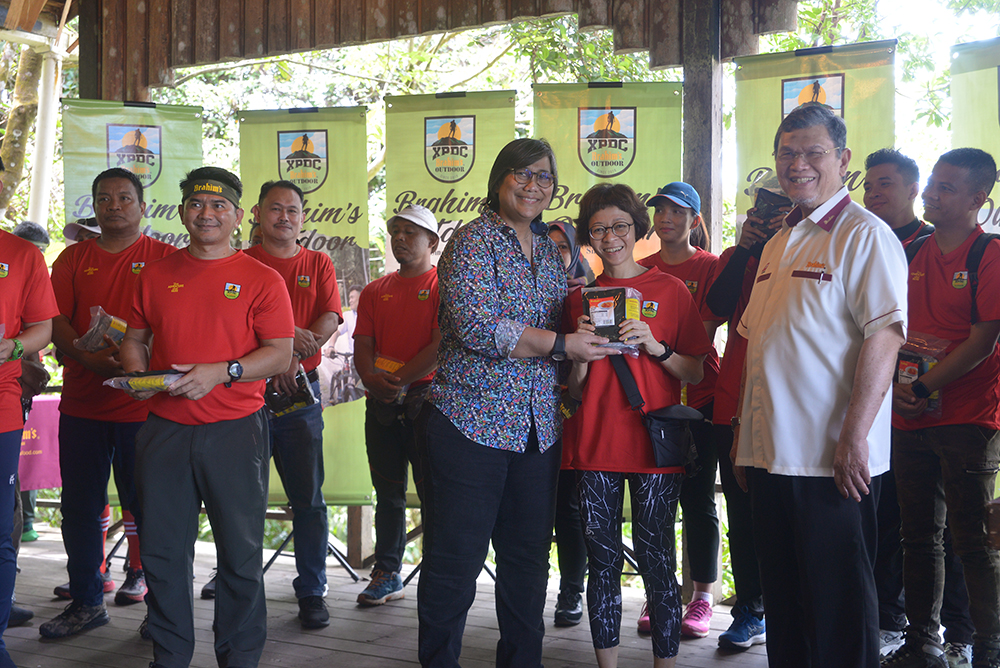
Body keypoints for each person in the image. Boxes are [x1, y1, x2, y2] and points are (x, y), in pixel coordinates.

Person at [416, 138, 609, 668]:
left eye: (544, 176)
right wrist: (562, 345)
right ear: (500, 180)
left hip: (537, 426)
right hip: (468, 424)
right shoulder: (471, 242)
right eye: (522, 174)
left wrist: (587, 330)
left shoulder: (550, 251)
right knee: (455, 561)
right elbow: (476, 326)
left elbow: (563, 319)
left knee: (527, 561)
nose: (533, 185)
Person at [732, 103, 908, 668]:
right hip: (770, 457)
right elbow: (758, 346)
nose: (798, 164)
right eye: (787, 153)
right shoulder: (778, 241)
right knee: (786, 606)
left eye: (813, 152)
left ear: (842, 160)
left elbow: (885, 337)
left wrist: (855, 438)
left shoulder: (866, 236)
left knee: (839, 610)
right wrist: (744, 438)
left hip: (833, 462)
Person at [121, 167, 294, 668]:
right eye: (197, 204)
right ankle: (170, 656)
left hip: (235, 431)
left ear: (240, 218)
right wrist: (136, 372)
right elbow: (135, 338)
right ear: (181, 213)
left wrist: (224, 371)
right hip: (164, 430)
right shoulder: (154, 275)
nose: (207, 213)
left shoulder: (262, 279)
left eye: (219, 206)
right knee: (162, 552)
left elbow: (279, 354)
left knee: (239, 556)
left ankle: (238, 657)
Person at [564, 183, 712, 668]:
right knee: (601, 564)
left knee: (658, 563)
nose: (610, 237)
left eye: (620, 226)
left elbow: (695, 370)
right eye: (599, 228)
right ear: (588, 235)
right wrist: (580, 354)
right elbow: (574, 392)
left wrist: (657, 346)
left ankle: (664, 664)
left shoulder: (669, 290)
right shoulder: (577, 300)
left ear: (637, 229)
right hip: (594, 445)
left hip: (654, 447)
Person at [41, 169, 176, 639]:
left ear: (142, 206)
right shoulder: (73, 259)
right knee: (79, 507)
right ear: (94, 207)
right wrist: (86, 358)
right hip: (82, 402)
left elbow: (177, 326)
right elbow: (52, 318)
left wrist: (137, 365)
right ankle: (86, 600)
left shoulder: (167, 258)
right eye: (103, 198)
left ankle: (162, 611)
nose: (114, 205)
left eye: (124, 197)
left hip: (147, 410)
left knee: (154, 508)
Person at [886, 148, 1000, 668]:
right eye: (931, 184)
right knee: (918, 538)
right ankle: (922, 645)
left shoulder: (989, 254)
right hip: (911, 411)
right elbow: (890, 329)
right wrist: (899, 383)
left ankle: (988, 650)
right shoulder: (912, 249)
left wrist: (926, 385)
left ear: (979, 199)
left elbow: (982, 342)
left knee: (974, 541)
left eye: (946, 188)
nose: (931, 194)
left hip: (969, 419)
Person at [863, 148, 975, 664]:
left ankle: (969, 640)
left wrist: (924, 386)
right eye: (868, 184)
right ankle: (911, 631)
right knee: (907, 527)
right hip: (888, 408)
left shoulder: (968, 249)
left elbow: (979, 338)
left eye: (885, 183)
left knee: (960, 532)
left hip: (958, 411)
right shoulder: (883, 244)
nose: (873, 192)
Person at [246, 180, 343, 628]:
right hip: (246, 393)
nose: (284, 217)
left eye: (292, 210)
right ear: (258, 214)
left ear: (302, 218)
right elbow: (235, 327)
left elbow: (327, 318)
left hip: (301, 391)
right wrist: (280, 352)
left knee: (308, 498)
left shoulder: (318, 262)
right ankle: (238, 581)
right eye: (275, 209)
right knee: (240, 496)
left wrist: (292, 356)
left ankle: (311, 590)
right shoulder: (241, 263)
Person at [637, 181, 723, 638]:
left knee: (698, 498)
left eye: (677, 211)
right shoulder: (641, 268)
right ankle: (660, 593)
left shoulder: (710, 267)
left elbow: (699, 334)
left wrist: (659, 345)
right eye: (660, 210)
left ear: (694, 219)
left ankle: (703, 596)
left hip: (702, 396)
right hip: (653, 401)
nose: (666, 218)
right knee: (656, 501)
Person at [704, 204, 784, 650]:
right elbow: (715, 308)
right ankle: (751, 610)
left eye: (776, 214)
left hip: (791, 404)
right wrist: (747, 247)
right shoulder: (737, 257)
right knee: (742, 513)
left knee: (792, 509)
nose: (767, 220)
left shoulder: (811, 252)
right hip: (733, 397)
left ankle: (790, 605)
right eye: (760, 213)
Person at [354, 204, 440, 607]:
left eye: (411, 232)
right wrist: (371, 379)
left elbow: (442, 346)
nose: (401, 239)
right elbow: (363, 344)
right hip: (382, 402)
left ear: (432, 242)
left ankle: (440, 576)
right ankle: (387, 572)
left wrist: (400, 379)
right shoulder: (375, 290)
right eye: (396, 232)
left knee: (435, 493)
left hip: (429, 402)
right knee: (387, 492)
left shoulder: (445, 286)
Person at [0, 207, 59, 668]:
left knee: (4, 526)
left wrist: (15, 347)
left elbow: (43, 328)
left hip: (3, 405)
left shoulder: (21, 256)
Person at [548, 218, 592, 628]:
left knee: (571, 507)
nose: (555, 254)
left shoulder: (589, 295)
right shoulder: (526, 291)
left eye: (563, 247)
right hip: (528, 414)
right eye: (548, 246)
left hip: (577, 411)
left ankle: (572, 592)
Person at [863, 148, 934, 247]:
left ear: (912, 190)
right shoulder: (858, 242)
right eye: (868, 188)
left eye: (884, 184)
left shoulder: (937, 243)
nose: (872, 194)